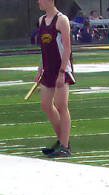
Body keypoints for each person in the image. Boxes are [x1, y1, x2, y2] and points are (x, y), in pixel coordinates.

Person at [35, 0, 74, 158]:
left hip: (60, 68)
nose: (38, 1)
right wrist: (40, 68)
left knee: (61, 106)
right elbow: (43, 48)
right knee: (45, 105)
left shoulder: (62, 20)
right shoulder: (41, 20)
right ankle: (62, 141)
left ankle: (64, 147)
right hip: (48, 69)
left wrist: (62, 72)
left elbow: (67, 48)